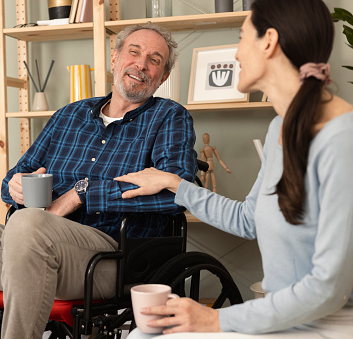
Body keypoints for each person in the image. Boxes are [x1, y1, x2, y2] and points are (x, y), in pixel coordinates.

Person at [0, 22, 198, 339]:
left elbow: (178, 192)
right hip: (26, 249)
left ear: (163, 76)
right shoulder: (70, 115)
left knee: (29, 224)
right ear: (115, 58)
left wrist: (83, 192)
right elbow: (16, 177)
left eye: (154, 59)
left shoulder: (169, 117)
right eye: (134, 52)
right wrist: (15, 185)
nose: (141, 64)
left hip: (108, 259)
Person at [116, 0, 353, 338]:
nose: (237, 54)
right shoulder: (280, 129)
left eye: (242, 37)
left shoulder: (343, 138)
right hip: (282, 317)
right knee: (143, 334)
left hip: (325, 324)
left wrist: (214, 320)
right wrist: (173, 183)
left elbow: (328, 288)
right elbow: (248, 220)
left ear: (268, 41)